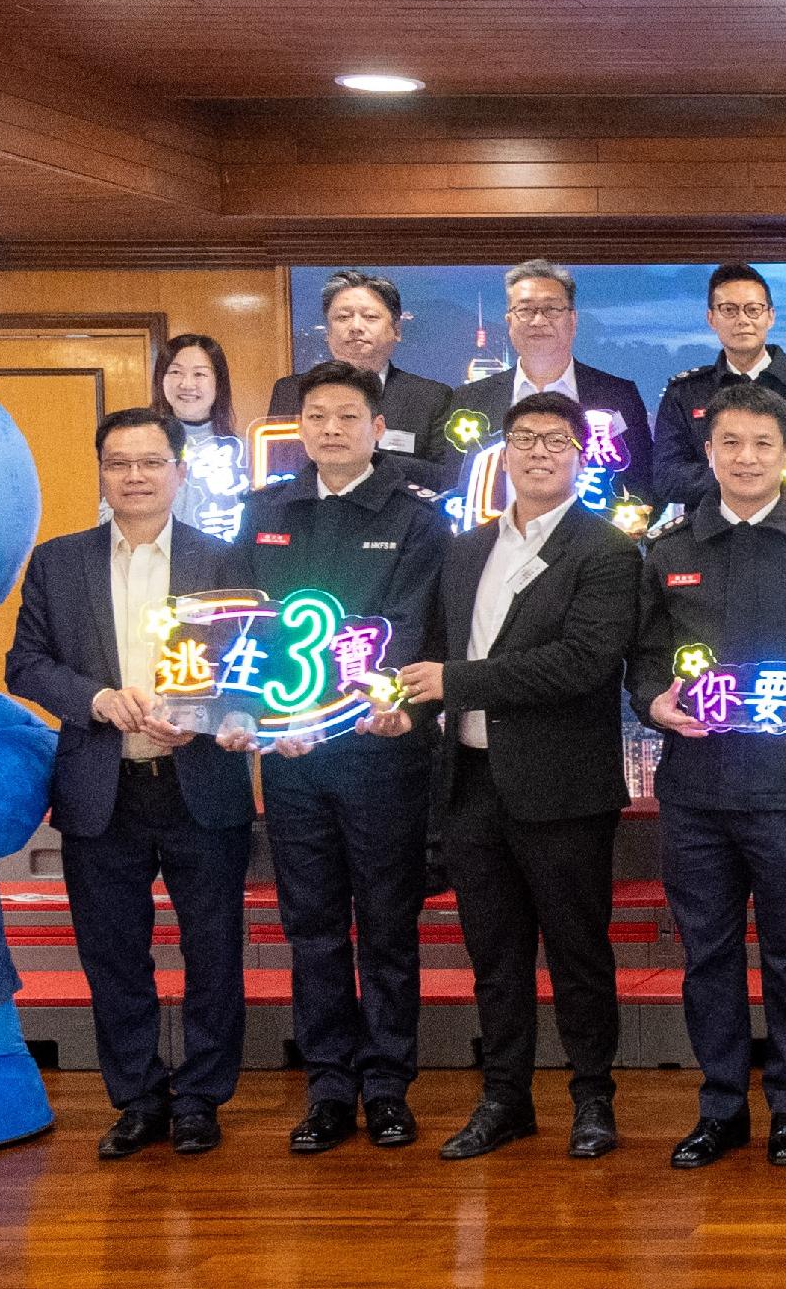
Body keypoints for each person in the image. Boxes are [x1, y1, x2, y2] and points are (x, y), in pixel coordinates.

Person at [633, 382, 786, 1169]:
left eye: (763, 444)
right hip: (697, 789)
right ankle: (720, 1105)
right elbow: (641, 659)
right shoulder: (669, 551)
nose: (746, 458)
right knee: (706, 952)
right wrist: (655, 703)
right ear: (709, 452)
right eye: (731, 443)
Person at [393, 394, 645, 1162]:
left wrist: (456, 680)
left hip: (563, 788)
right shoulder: (465, 548)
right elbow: (431, 657)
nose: (540, 451)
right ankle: (505, 1096)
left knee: (577, 952)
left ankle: (593, 1097)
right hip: (470, 782)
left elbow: (583, 662)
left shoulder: (605, 550)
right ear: (503, 452)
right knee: (494, 957)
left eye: (557, 440)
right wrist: (402, 705)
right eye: (525, 438)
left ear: (580, 454)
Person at [4, 407, 256, 1159]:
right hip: (100, 786)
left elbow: (253, 666)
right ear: (102, 474)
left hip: (198, 779)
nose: (136, 476)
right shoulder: (58, 561)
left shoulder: (224, 559)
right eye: (120, 463)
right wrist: (95, 698)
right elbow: (27, 662)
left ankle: (203, 1098)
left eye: (152, 462)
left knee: (214, 951)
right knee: (113, 954)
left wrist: (213, 712)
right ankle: (138, 1096)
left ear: (180, 472)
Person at [237, 361, 446, 1155]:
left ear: (375, 427)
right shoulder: (264, 513)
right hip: (291, 758)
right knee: (313, 926)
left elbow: (412, 627)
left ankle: (389, 1084)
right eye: (316, 416)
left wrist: (371, 707)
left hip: (381, 754)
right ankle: (328, 1085)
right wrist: (264, 715)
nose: (330, 429)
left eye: (346, 416)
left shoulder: (417, 518)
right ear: (301, 427)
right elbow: (245, 636)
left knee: (388, 924)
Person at [443, 259, 656, 504]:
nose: (538, 321)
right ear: (509, 322)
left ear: (573, 320)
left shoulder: (618, 395)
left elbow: (644, 482)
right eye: (525, 310)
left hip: (593, 539)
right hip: (495, 538)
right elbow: (452, 483)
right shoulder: (470, 399)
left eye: (552, 309)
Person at [653, 262, 786, 514]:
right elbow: (667, 477)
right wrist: (745, 479)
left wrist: (761, 482)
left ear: (771, 316)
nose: (742, 320)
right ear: (711, 318)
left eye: (753, 310)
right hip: (707, 535)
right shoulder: (685, 392)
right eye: (729, 310)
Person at [267, 269, 456, 465]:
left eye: (370, 317)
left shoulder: (431, 398)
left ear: (397, 330)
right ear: (327, 332)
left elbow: (442, 477)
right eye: (343, 317)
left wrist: (366, 467)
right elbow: (277, 468)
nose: (356, 327)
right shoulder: (289, 391)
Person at [153, 334, 253, 539]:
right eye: (175, 372)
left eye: (199, 374)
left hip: (224, 565)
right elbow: (112, 514)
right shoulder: (140, 450)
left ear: (219, 382)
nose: (187, 384)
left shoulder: (245, 452)